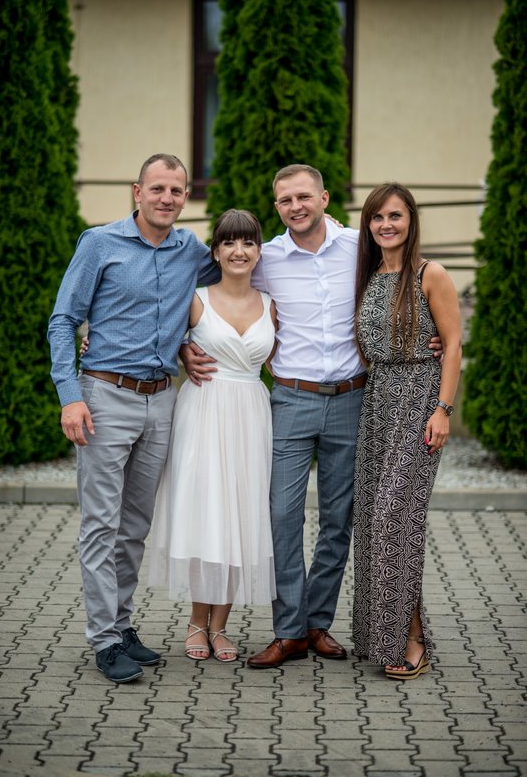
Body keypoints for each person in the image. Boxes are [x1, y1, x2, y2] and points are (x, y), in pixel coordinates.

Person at [182, 164, 444, 669]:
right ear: (276, 207)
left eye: (304, 196)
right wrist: (180, 346)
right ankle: (288, 631)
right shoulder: (265, 257)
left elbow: (404, 282)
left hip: (352, 398)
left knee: (337, 519)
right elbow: (208, 296)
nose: (295, 207)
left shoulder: (359, 248)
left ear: (324, 198)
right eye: (285, 200)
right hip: (290, 399)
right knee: (281, 516)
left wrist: (429, 337)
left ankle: (317, 625)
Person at [48, 154, 219, 683]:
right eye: (158, 188)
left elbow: (242, 268)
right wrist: (70, 395)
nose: (167, 198)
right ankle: (103, 640)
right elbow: (63, 319)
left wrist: (188, 341)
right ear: (137, 191)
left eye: (177, 190)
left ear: (185, 197)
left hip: (162, 400)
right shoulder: (100, 243)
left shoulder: (191, 250)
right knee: (101, 525)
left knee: (134, 528)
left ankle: (121, 626)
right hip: (104, 397)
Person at [147, 209, 277, 662]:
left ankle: (220, 626)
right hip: (203, 412)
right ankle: (195, 623)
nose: (239, 251)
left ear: (259, 251)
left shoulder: (271, 304)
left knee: (241, 516)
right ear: (216, 252)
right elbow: (155, 339)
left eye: (248, 242)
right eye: (229, 242)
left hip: (251, 414)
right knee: (207, 515)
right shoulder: (195, 299)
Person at [351, 183, 462, 680]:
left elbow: (453, 344)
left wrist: (443, 409)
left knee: (397, 520)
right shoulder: (369, 276)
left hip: (419, 401)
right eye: (377, 217)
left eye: (395, 215)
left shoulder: (429, 273)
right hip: (377, 402)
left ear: (411, 220)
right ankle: (383, 635)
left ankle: (413, 639)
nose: (386, 225)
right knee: (374, 524)